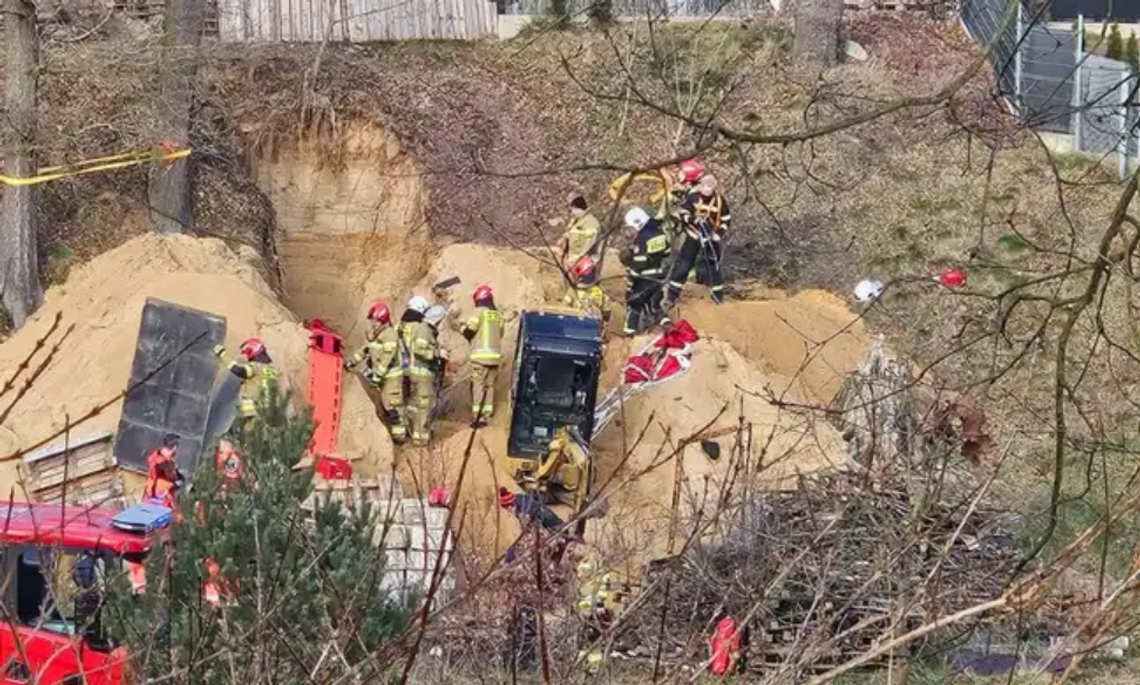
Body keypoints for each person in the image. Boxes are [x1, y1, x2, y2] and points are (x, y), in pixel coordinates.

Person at [345, 300, 408, 443]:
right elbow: (365, 350)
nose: (372, 323)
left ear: (381, 319)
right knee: (386, 406)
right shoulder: (376, 335)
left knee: (393, 407)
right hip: (383, 377)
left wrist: (377, 376)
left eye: (374, 320)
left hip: (392, 378)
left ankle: (400, 438)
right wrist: (350, 362)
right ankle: (394, 434)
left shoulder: (390, 335)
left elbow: (387, 358)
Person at [667, 174, 731, 307]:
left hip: (710, 239)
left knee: (713, 267)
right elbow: (683, 213)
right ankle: (671, 296)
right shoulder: (693, 198)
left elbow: (726, 220)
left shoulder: (720, 201)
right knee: (684, 265)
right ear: (700, 186)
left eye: (710, 187)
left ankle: (717, 298)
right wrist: (693, 220)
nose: (706, 189)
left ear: (714, 188)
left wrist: (719, 234)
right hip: (693, 236)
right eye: (704, 186)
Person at [619, 207, 671, 337]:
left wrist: (630, 284)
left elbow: (639, 264)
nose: (630, 230)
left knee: (635, 304)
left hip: (644, 278)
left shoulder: (641, 239)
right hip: (658, 276)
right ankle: (667, 324)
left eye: (631, 227)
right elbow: (667, 252)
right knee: (654, 304)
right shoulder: (659, 233)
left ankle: (629, 333)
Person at [397, 296, 440, 445]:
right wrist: (437, 354)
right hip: (421, 371)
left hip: (404, 371)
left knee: (410, 403)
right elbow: (421, 350)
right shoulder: (422, 328)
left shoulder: (400, 327)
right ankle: (420, 439)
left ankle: (408, 431)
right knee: (424, 404)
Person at [459, 285, 504, 427]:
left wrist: (461, 328)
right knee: (490, 386)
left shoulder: (478, 312)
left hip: (479, 358)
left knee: (478, 385)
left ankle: (476, 417)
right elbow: (500, 334)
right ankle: (486, 416)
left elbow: (470, 331)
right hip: (494, 358)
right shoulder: (498, 315)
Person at [213, 337, 280, 427]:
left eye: (248, 354)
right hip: (267, 413)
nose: (248, 358)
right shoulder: (271, 371)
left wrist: (222, 354)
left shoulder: (256, 366)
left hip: (251, 414)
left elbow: (238, 370)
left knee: (237, 436)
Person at [556, 193, 601, 270]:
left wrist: (579, 258)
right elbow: (570, 234)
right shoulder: (575, 221)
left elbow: (590, 243)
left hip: (586, 263)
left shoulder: (591, 222)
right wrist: (563, 239)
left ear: (577, 208)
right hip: (573, 262)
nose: (572, 212)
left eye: (573, 209)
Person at [562, 255, 610, 322]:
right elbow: (564, 308)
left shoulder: (600, 292)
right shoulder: (572, 291)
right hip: (575, 325)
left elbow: (607, 313)